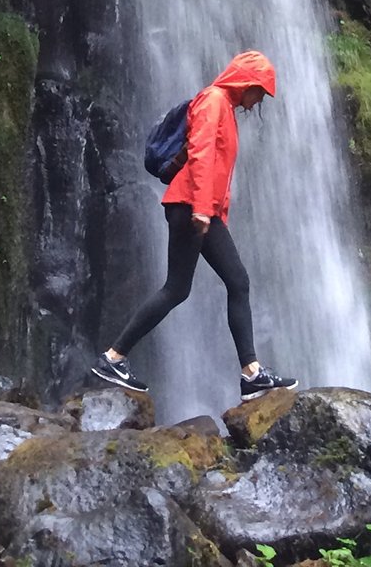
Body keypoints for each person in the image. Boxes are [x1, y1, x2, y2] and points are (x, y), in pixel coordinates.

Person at [90, 49, 298, 399]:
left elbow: (218, 169)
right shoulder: (212, 100)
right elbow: (200, 154)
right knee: (208, 285)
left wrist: (216, 212)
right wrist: (203, 209)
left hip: (199, 208)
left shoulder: (225, 109)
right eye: (259, 92)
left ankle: (249, 372)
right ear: (245, 82)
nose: (258, 101)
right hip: (191, 207)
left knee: (201, 285)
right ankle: (115, 357)